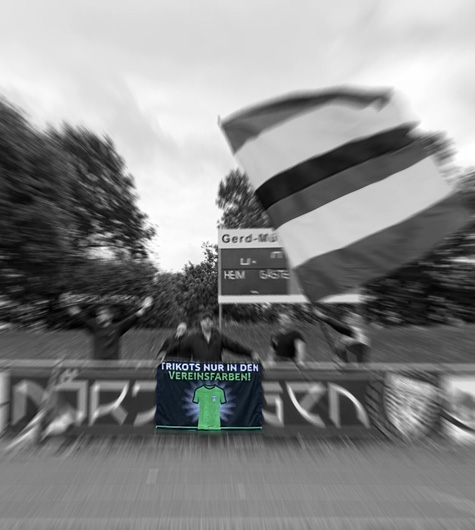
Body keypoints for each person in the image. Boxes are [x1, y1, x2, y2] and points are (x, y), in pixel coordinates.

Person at [60, 293, 153, 360]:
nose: (99, 316)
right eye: (98, 314)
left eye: (102, 314)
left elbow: (135, 316)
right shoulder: (94, 327)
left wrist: (145, 306)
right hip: (96, 367)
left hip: (113, 367)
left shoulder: (118, 328)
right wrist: (67, 302)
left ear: (110, 316)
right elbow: (78, 314)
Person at [169, 310, 260, 363]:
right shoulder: (193, 337)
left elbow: (234, 346)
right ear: (201, 323)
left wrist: (250, 353)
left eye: (209, 320)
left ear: (212, 323)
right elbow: (179, 346)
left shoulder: (219, 337)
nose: (207, 322)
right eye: (205, 320)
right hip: (199, 375)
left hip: (216, 375)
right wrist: (165, 353)